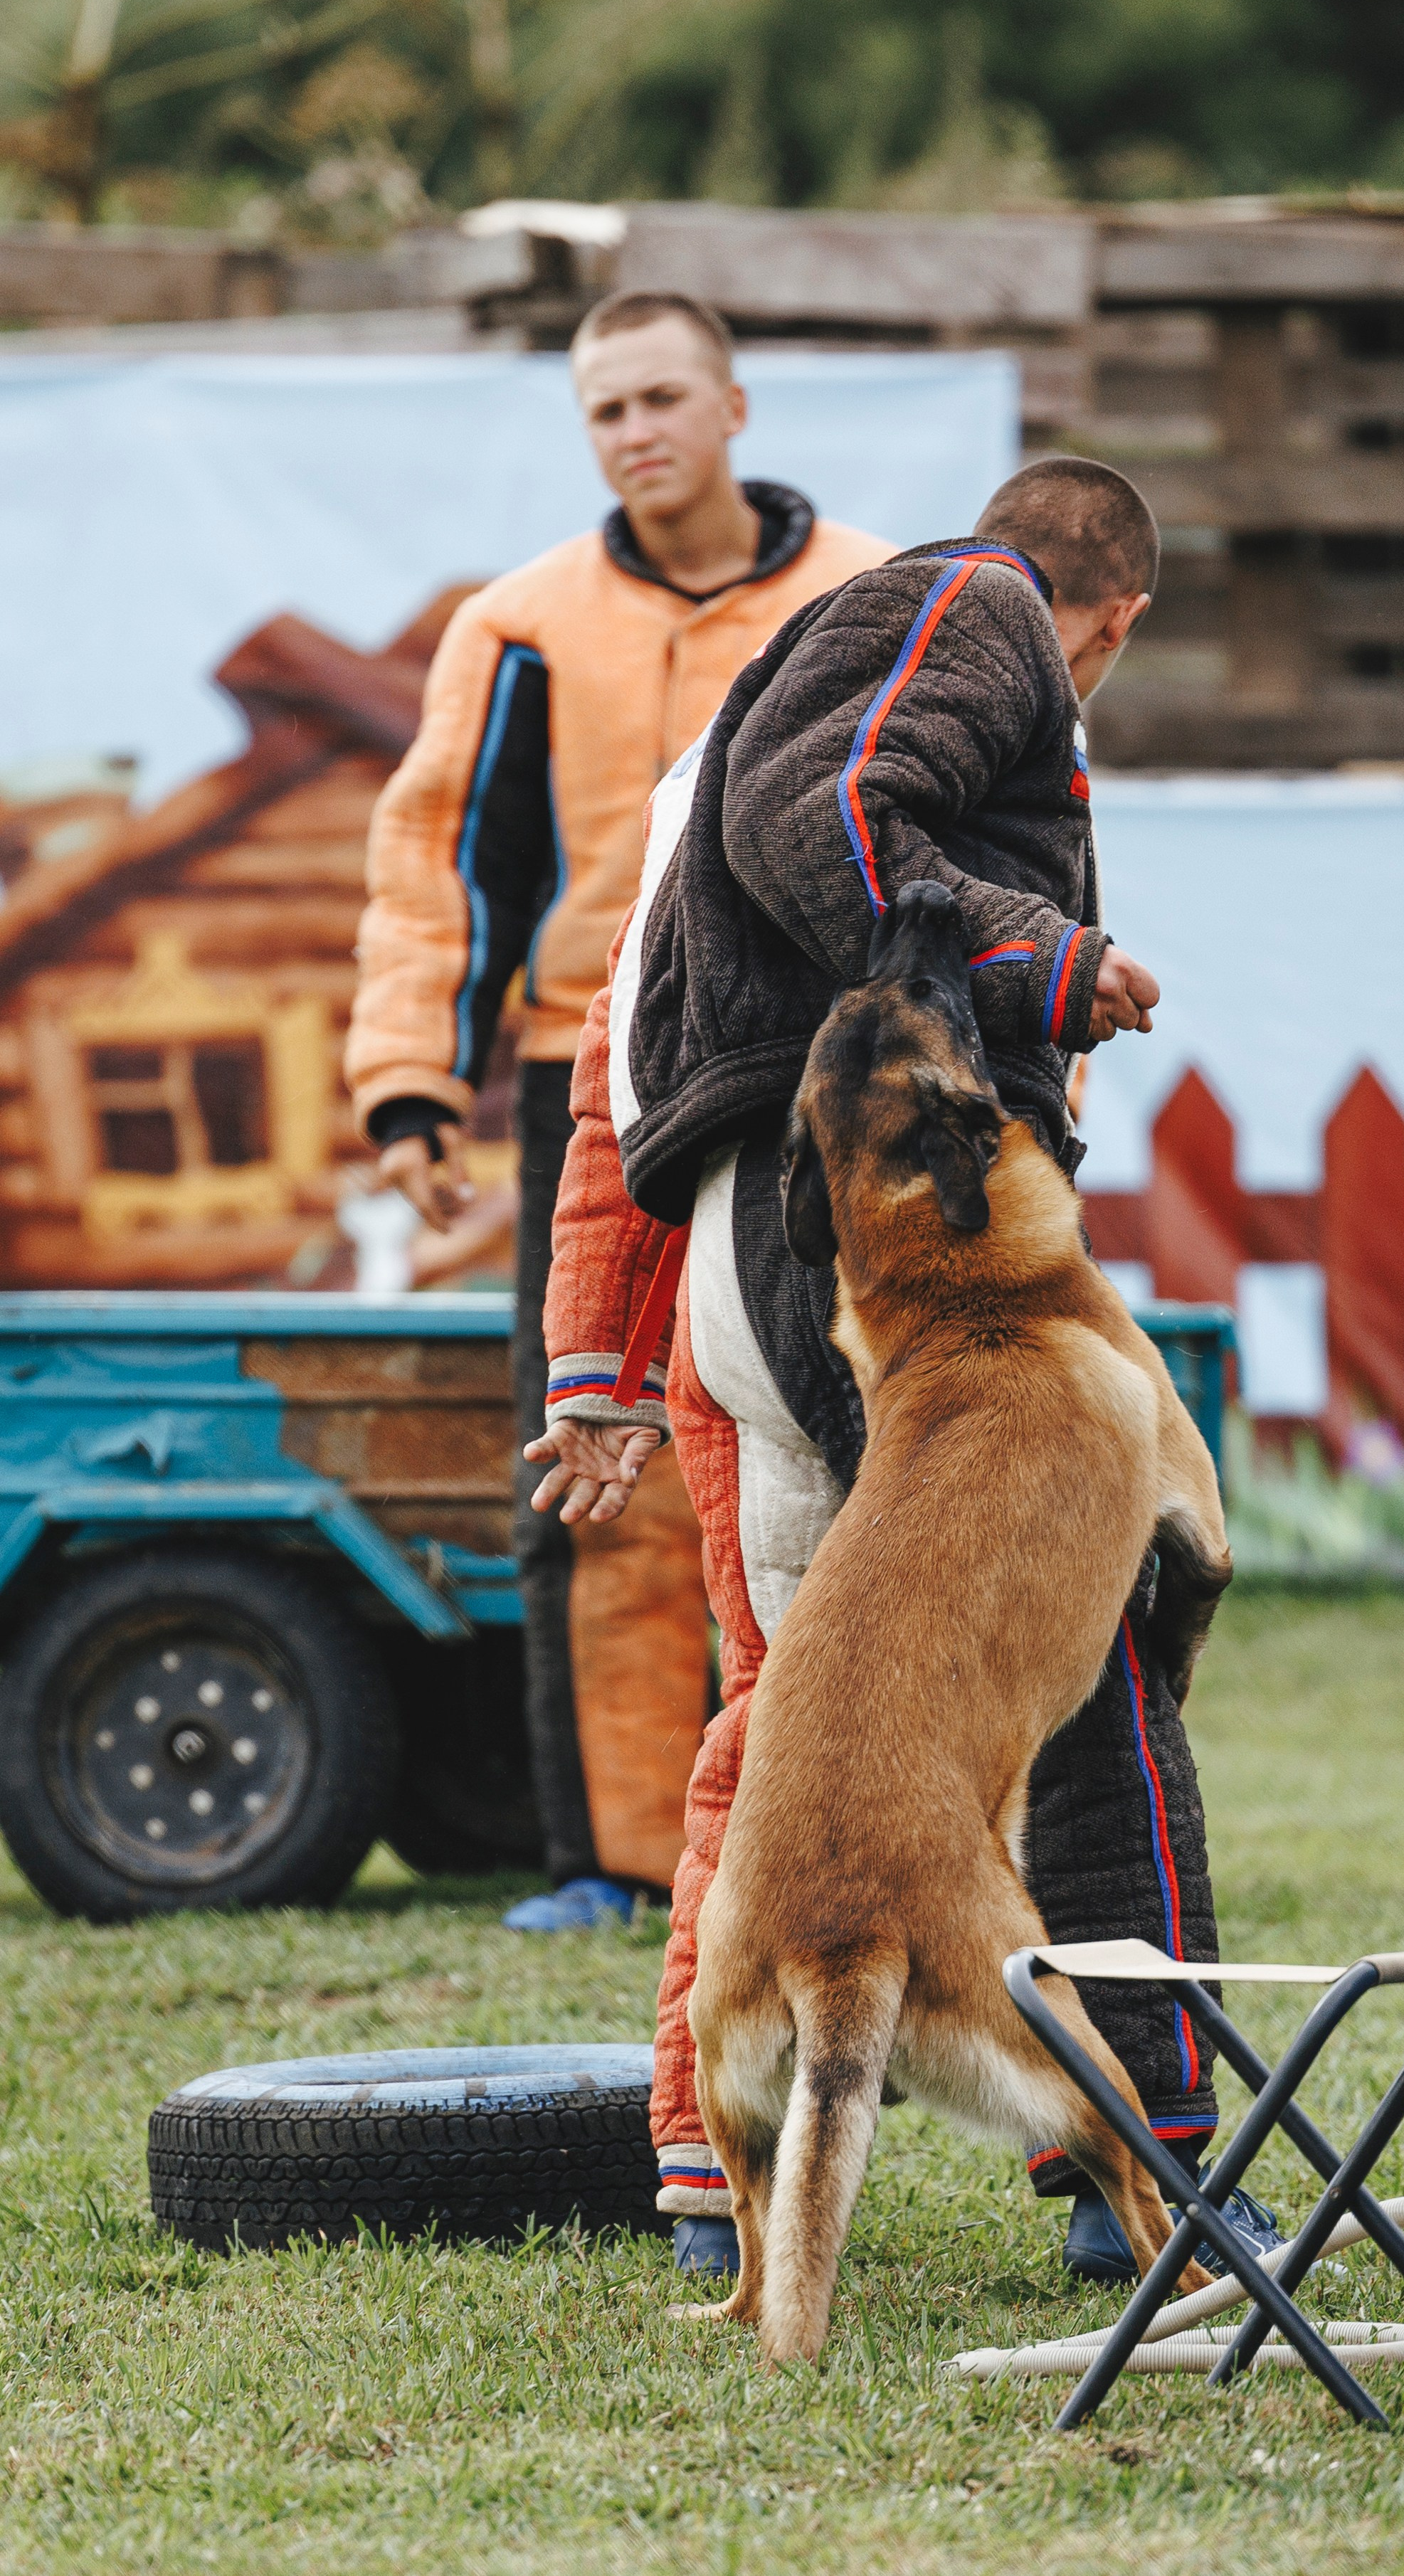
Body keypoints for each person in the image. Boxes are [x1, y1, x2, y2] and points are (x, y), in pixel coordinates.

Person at [531, 456, 1280, 2281]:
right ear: (1119, 617)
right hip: (876, 1231)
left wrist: (598, 1344)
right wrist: (1040, 958)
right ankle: (1154, 2170)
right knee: (1092, 1662)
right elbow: (836, 815)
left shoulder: (763, 695)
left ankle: (715, 2165)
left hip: (762, 1249)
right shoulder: (982, 606)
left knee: (804, 1721)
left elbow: (620, 1060)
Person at [344, 290, 892, 1930]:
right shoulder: (520, 624)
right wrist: (409, 1081)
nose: (636, 430)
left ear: (733, 406)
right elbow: (446, 867)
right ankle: (616, 1853)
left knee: (854, 1445)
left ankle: (859, 1824)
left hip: (823, 1072)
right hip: (594, 1081)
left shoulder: (872, 592)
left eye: (662, 397)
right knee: (597, 1438)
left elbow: (968, 826)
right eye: (606, 409)